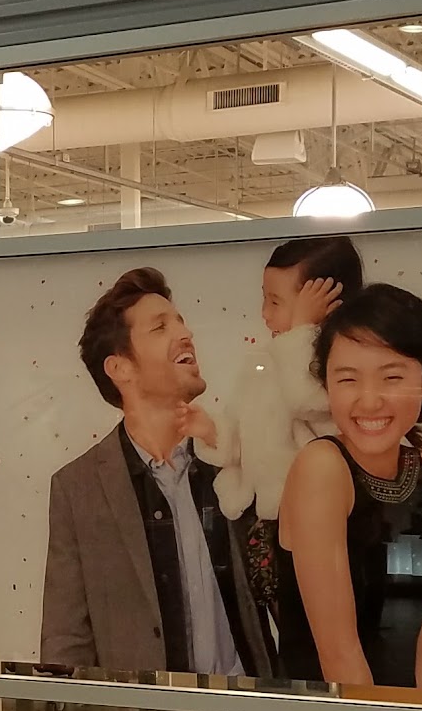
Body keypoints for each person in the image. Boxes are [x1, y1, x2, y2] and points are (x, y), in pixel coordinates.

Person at [40, 267, 268, 675]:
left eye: (180, 321)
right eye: (161, 327)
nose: (186, 333)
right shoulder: (79, 488)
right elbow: (66, 636)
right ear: (120, 368)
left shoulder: (231, 456)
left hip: (247, 707)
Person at [275, 283, 422, 690]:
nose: (369, 400)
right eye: (348, 379)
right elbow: (338, 654)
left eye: (391, 377)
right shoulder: (322, 468)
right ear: (326, 383)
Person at [192, 235, 364, 653]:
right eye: (264, 299)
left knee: (320, 635)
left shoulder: (340, 360)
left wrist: (303, 331)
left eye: (275, 301)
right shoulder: (264, 363)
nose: (265, 314)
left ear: (325, 302)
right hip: (262, 521)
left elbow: (310, 401)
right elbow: (241, 441)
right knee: (286, 636)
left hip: (315, 522)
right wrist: (209, 431)